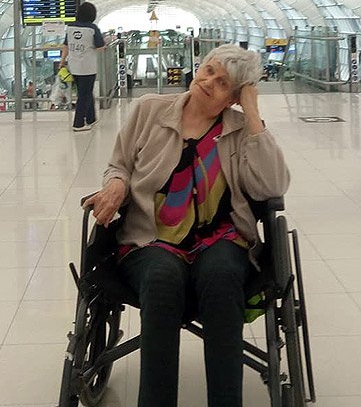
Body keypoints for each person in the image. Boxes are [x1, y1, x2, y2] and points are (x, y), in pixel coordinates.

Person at [84, 44, 290, 407]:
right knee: (162, 279)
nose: (209, 81)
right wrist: (116, 184)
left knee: (223, 276)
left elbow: (272, 186)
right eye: (208, 70)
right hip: (150, 238)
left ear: (233, 98)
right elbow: (118, 165)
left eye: (224, 83)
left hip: (222, 237)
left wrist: (253, 112)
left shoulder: (242, 130)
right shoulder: (149, 109)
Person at [61, 2, 106, 131]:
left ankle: (91, 118)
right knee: (84, 95)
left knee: (85, 92)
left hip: (74, 66)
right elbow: (100, 46)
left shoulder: (70, 27)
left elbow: (66, 46)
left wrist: (62, 61)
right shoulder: (92, 28)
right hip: (87, 67)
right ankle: (78, 123)